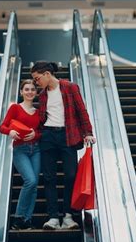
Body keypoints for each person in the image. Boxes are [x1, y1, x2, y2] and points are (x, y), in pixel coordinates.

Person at [31, 61, 96, 230]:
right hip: (48, 136)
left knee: (70, 176)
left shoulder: (69, 87)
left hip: (68, 135)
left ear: (47, 74)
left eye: (37, 79)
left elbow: (81, 110)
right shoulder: (43, 95)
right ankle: (53, 217)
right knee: (49, 177)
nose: (36, 83)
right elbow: (42, 117)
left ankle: (68, 216)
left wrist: (88, 132)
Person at [0, 80, 40, 230]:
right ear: (21, 92)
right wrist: (9, 131)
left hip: (36, 150)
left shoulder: (38, 112)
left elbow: (41, 132)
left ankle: (27, 220)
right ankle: (18, 217)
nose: (30, 92)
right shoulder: (15, 108)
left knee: (34, 185)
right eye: (26, 89)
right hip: (20, 149)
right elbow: (2, 126)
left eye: (32, 89)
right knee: (30, 180)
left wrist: (36, 133)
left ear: (36, 92)